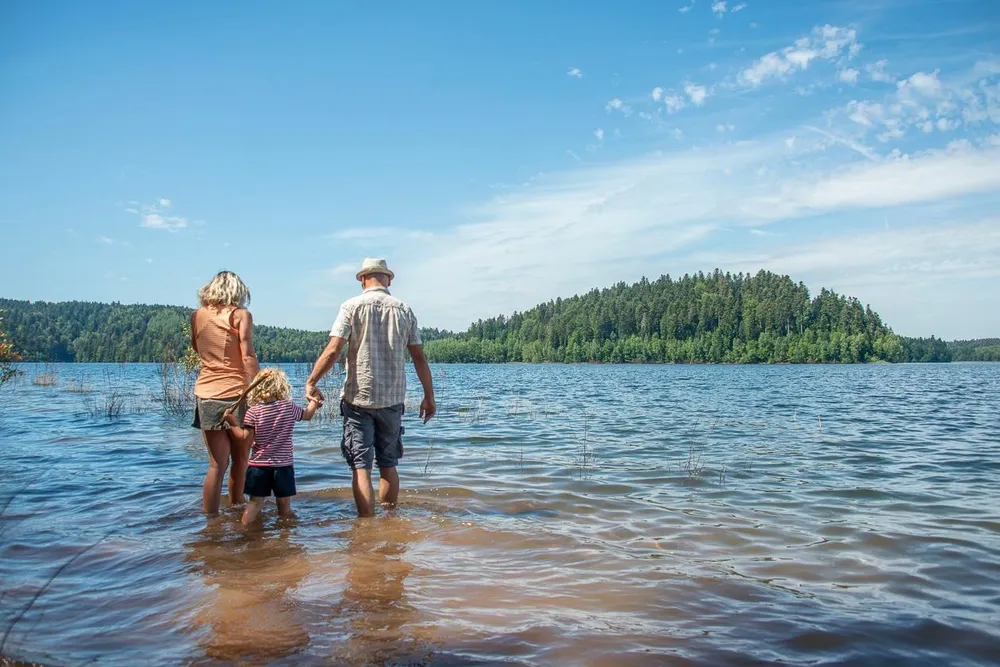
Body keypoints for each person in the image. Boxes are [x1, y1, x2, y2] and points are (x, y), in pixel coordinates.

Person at [306, 257, 435, 517]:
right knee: (388, 464)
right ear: (389, 280)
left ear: (363, 279)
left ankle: (365, 524)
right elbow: (419, 358)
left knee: (361, 466)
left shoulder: (351, 307)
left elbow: (333, 350)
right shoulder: (404, 310)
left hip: (358, 398)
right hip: (392, 399)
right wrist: (428, 396)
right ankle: (389, 520)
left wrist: (312, 382)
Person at [191, 270, 260, 515]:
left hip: (206, 393)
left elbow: (196, 347)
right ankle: (236, 507)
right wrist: (261, 386)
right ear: (238, 292)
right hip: (237, 393)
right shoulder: (241, 315)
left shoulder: (197, 316)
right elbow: (247, 355)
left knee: (216, 465)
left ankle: (210, 521)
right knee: (241, 460)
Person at [223, 367, 321, 525]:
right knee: (284, 505)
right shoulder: (288, 407)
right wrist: (314, 401)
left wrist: (232, 423)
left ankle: (244, 530)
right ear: (281, 387)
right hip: (283, 466)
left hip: (258, 466)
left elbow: (244, 441)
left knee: (255, 503)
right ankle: (285, 533)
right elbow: (308, 415)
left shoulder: (252, 412)